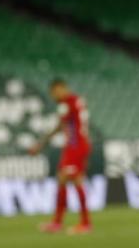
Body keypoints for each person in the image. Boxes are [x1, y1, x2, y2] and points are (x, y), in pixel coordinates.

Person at [29, 79, 92, 235]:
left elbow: (60, 126)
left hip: (76, 146)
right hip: (75, 146)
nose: (54, 96)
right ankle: (61, 222)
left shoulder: (68, 103)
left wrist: (40, 144)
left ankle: (83, 224)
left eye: (55, 91)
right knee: (64, 179)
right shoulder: (75, 101)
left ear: (62, 88)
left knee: (70, 179)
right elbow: (67, 125)